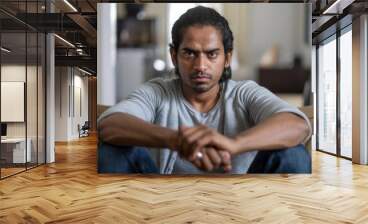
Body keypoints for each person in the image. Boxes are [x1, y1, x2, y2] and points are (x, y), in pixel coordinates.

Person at [97, 6, 312, 174]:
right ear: (174, 56)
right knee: (112, 150)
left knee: (294, 154)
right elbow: (109, 125)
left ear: (227, 58)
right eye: (189, 53)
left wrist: (233, 144)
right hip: (163, 201)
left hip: (242, 201)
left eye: (211, 54)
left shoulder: (244, 93)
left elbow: (298, 125)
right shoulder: (158, 92)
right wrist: (178, 140)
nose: (200, 65)